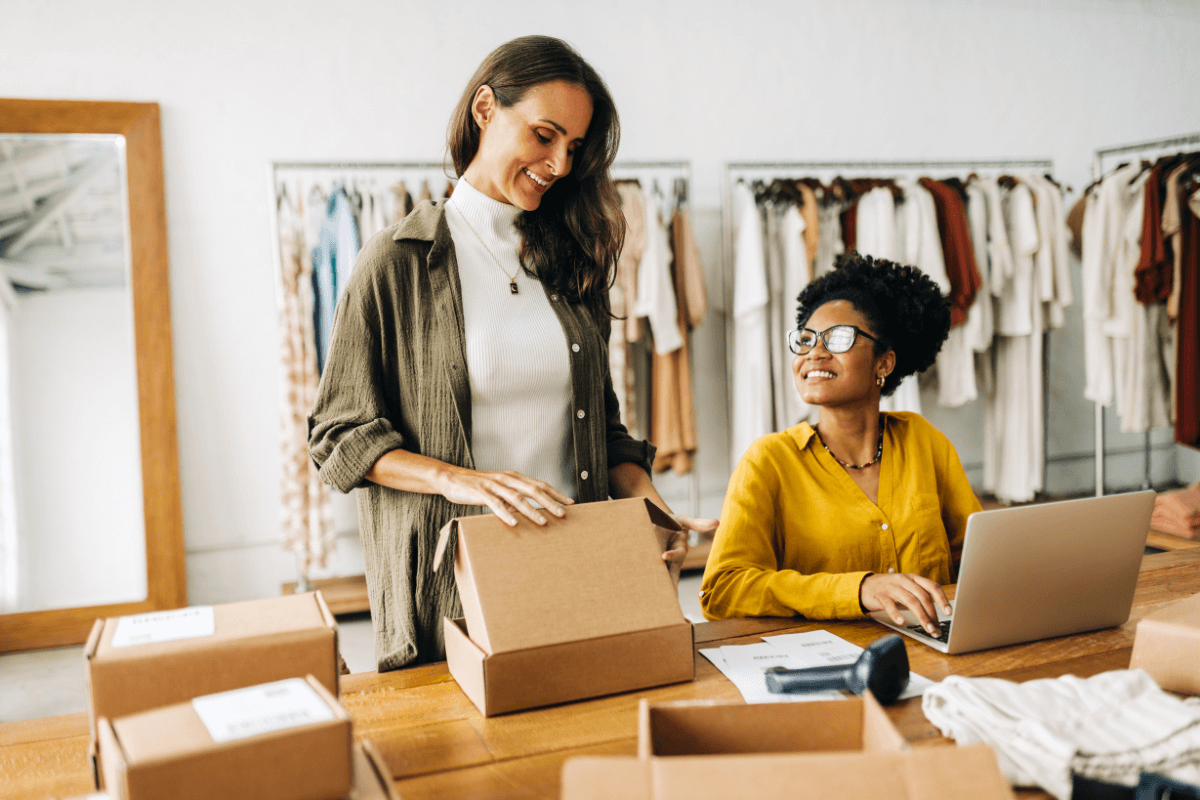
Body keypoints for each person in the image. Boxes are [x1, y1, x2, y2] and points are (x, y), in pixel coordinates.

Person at [308, 35, 716, 671]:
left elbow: (602, 433)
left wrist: (651, 508)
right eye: (544, 135)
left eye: (574, 149)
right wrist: (466, 482)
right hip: (453, 587)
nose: (557, 164)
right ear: (484, 109)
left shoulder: (572, 260)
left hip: (577, 567)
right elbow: (340, 436)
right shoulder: (397, 262)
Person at [700, 252, 980, 636]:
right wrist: (859, 589)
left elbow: (978, 556)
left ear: (884, 362)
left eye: (839, 337)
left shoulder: (924, 441)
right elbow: (722, 589)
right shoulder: (769, 461)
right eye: (805, 339)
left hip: (935, 646)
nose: (815, 351)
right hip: (826, 659)